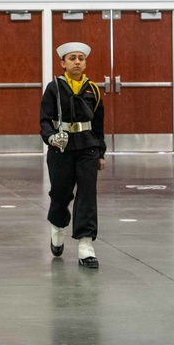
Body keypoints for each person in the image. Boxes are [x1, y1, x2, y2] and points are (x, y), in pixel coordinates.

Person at [40, 42, 106, 269]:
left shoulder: (93, 89)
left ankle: (86, 245)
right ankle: (58, 227)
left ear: (85, 62)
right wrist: (50, 138)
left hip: (87, 146)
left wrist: (100, 152)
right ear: (62, 63)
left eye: (80, 58)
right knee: (60, 193)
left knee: (87, 194)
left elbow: (98, 124)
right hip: (61, 148)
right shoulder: (53, 88)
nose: (77, 62)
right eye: (72, 58)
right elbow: (44, 120)